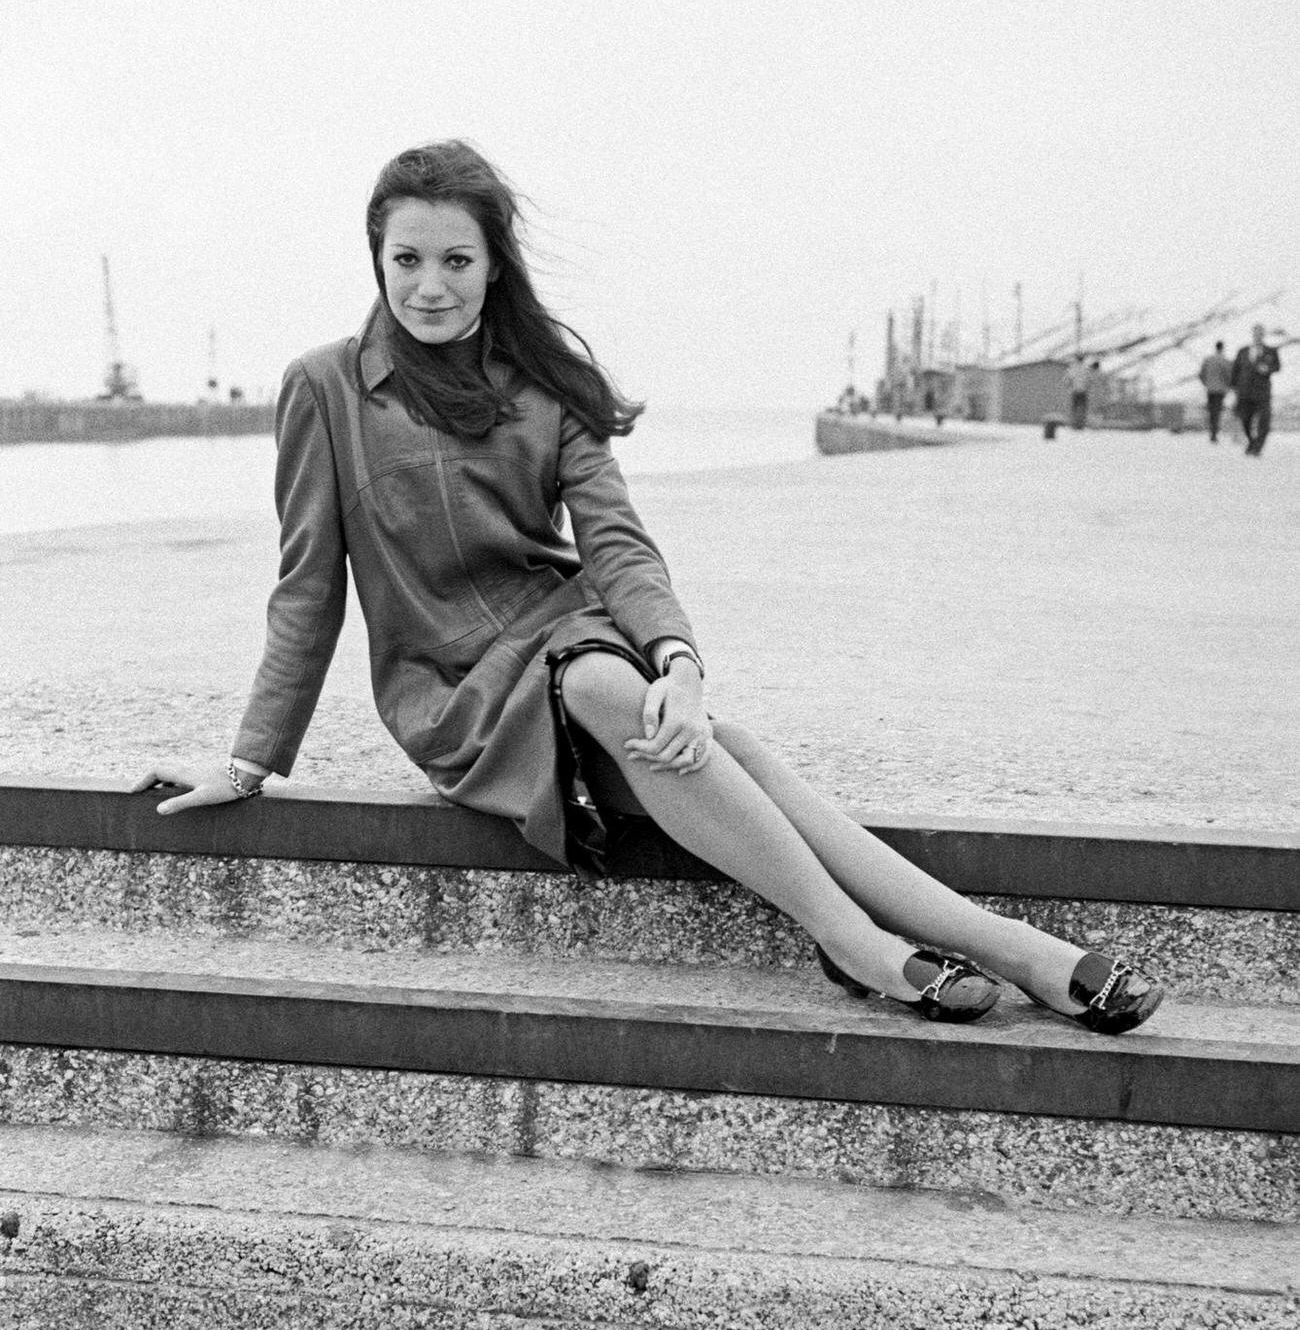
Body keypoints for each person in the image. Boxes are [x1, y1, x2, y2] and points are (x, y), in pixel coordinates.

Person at [135, 140, 1162, 1035]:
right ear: (377, 257)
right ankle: (854, 944)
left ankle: (1020, 951)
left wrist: (678, 664)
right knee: (627, 703)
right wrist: (250, 758)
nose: (430, 285)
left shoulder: (546, 385)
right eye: (407, 259)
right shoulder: (323, 387)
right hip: (451, 693)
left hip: (572, 641)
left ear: (495, 267)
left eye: (457, 259)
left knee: (700, 734)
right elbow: (306, 586)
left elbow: (618, 545)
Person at [1231, 325, 1282, 457]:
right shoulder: (1242, 351)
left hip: (1263, 392)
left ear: (1263, 335)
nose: (1258, 336)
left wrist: (1268, 369)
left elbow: (1277, 367)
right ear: (1253, 335)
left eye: (1260, 334)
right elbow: (1235, 371)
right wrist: (1233, 389)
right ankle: (1252, 442)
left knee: (1265, 420)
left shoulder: (1271, 351)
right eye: (1256, 334)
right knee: (1245, 420)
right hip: (1245, 391)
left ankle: (1257, 447)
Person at [1198, 341, 1232, 443]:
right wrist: (1228, 386)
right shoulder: (1225, 361)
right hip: (1220, 390)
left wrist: (1207, 383)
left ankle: (1212, 432)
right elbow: (1229, 375)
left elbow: (1201, 374)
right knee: (1217, 411)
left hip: (1210, 389)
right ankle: (1214, 433)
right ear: (1222, 348)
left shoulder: (1208, 360)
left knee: (1212, 410)